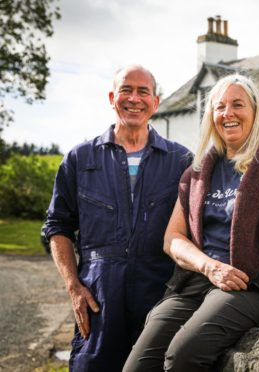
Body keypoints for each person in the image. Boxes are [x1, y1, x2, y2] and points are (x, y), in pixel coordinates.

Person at [123, 74, 259, 371]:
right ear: (211, 116)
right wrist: (209, 266)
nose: (228, 113)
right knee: (138, 366)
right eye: (220, 107)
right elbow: (172, 238)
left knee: (182, 356)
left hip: (251, 287)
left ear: (255, 111)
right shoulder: (199, 169)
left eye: (238, 104)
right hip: (197, 281)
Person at [44, 65, 191, 371]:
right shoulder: (80, 159)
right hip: (99, 295)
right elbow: (58, 227)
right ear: (112, 98)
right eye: (126, 90)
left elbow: (197, 230)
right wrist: (74, 286)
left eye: (143, 91)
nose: (134, 99)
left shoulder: (181, 161)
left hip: (159, 293)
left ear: (156, 102)